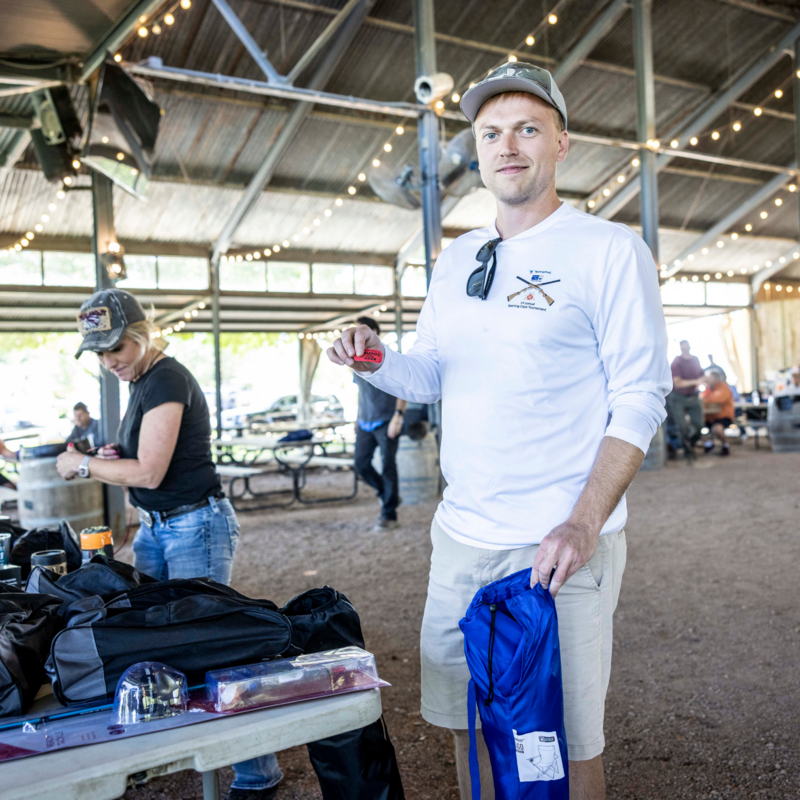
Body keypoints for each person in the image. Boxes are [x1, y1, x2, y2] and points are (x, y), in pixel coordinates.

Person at [326, 62, 671, 800]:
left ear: (561, 144)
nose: (507, 146)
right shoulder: (457, 258)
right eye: (490, 134)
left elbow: (641, 397)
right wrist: (374, 357)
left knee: (562, 740)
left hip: (557, 550)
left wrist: (583, 523)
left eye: (526, 129)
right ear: (477, 152)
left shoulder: (609, 250)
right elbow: (430, 374)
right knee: (469, 725)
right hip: (462, 539)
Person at [55, 288, 281, 800]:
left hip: (193, 523)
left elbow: (151, 472)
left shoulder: (167, 378)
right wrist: (112, 456)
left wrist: (85, 465)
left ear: (142, 334)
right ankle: (178, 745)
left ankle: (257, 771)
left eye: (115, 348)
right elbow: (144, 460)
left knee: (210, 645)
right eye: (99, 353)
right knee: (156, 640)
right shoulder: (141, 381)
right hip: (159, 527)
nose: (108, 362)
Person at [352, 316, 407, 530]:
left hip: (387, 420)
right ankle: (387, 493)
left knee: (388, 466)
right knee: (361, 465)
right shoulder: (356, 360)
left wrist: (398, 416)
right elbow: (362, 393)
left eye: (361, 330)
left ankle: (389, 515)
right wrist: (357, 417)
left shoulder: (389, 357)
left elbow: (402, 387)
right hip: (365, 421)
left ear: (373, 332)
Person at [667, 340, 705, 461]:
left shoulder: (695, 360)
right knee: (681, 427)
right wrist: (696, 381)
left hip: (693, 396)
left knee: (699, 424)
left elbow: (702, 375)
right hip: (678, 397)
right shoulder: (676, 362)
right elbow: (678, 383)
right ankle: (687, 451)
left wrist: (705, 379)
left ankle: (691, 444)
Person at [701, 369, 734, 456]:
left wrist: (707, 398)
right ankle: (708, 444)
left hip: (723, 416)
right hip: (708, 417)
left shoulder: (723, 388)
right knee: (695, 426)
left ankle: (725, 445)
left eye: (709, 378)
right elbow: (701, 398)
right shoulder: (708, 388)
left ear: (715, 378)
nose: (707, 380)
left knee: (717, 429)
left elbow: (717, 399)